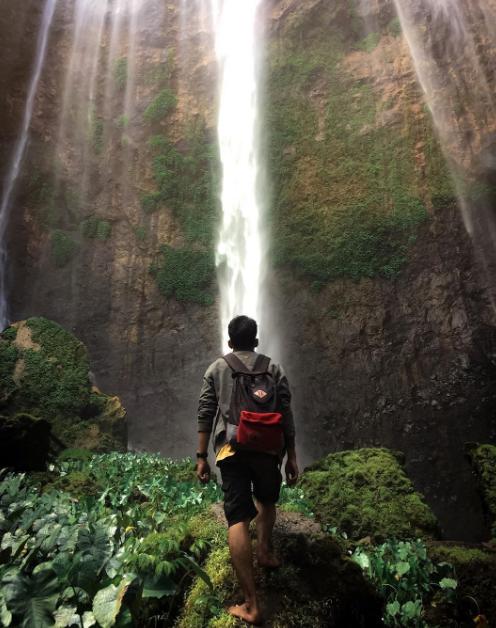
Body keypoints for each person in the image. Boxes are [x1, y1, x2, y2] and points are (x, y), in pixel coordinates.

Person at [195, 315, 299, 625]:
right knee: (267, 500)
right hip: (269, 449)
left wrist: (201, 456)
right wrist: (291, 455)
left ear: (229, 342)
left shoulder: (217, 368)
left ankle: (251, 604)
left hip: (231, 450)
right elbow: (286, 412)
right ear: (256, 340)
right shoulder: (274, 368)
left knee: (238, 518)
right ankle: (265, 552)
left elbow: (205, 413)